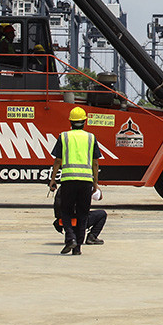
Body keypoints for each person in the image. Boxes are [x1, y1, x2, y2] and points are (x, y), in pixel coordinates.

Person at [48, 107, 102, 255]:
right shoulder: (91, 138)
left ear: (70, 122)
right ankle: (77, 248)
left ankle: (70, 238)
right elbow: (95, 163)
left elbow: (58, 160)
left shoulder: (64, 136)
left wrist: (53, 180)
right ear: (85, 121)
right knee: (83, 214)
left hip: (68, 180)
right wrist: (95, 183)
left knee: (66, 211)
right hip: (86, 181)